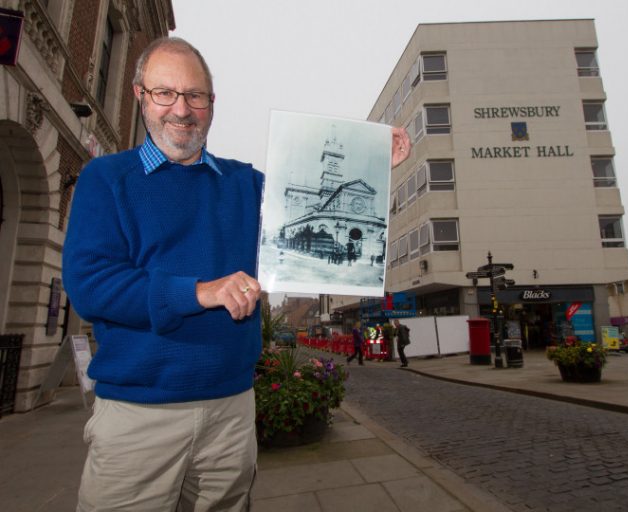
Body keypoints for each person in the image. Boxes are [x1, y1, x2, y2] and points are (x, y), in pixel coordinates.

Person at [62, 36, 411, 511]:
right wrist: (199, 291)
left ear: (211, 103)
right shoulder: (106, 178)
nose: (181, 109)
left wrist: (374, 161)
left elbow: (304, 202)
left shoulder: (245, 184)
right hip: (139, 414)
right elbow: (90, 285)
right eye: (165, 93)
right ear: (140, 95)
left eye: (195, 95)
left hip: (231, 408)